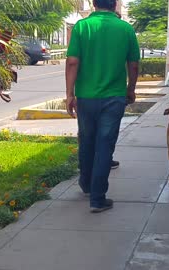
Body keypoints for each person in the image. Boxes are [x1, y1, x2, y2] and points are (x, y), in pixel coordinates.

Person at [65, 0, 140, 213]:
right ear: (114, 4)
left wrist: (70, 93)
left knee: (87, 140)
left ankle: (86, 183)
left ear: (95, 3)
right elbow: (133, 64)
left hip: (86, 97)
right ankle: (97, 198)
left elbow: (72, 62)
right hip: (114, 97)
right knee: (105, 145)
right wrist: (131, 88)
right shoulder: (125, 28)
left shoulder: (82, 26)